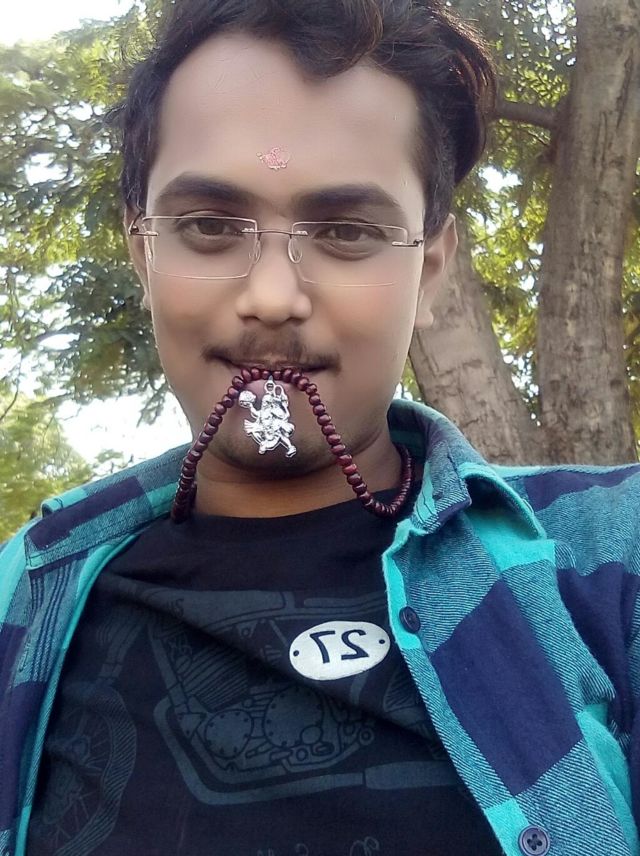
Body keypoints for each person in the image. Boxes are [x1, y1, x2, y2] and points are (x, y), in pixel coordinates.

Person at [1, 1, 639, 854]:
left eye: (346, 232)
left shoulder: (610, 561)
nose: (272, 297)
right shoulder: (23, 598)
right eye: (209, 226)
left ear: (431, 269)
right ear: (142, 253)